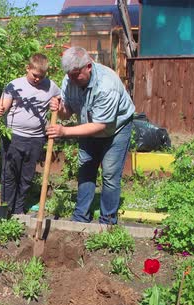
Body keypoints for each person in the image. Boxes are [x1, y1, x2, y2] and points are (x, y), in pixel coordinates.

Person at [47, 47, 134, 224]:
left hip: (115, 130)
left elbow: (101, 125)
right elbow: (68, 112)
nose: (71, 79)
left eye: (75, 74)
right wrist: (60, 109)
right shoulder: (70, 79)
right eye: (69, 75)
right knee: (86, 169)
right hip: (87, 126)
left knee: (109, 174)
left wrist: (64, 131)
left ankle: (107, 221)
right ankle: (80, 218)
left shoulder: (107, 85)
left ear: (88, 66)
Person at [0, 53, 61, 215]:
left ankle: (19, 209)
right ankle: (7, 209)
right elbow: (2, 105)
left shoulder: (51, 86)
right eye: (35, 75)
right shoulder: (15, 85)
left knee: (27, 176)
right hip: (14, 137)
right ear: (28, 68)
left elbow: (60, 99)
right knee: (10, 174)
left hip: (36, 139)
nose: (38, 79)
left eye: (42, 76)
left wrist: (57, 102)